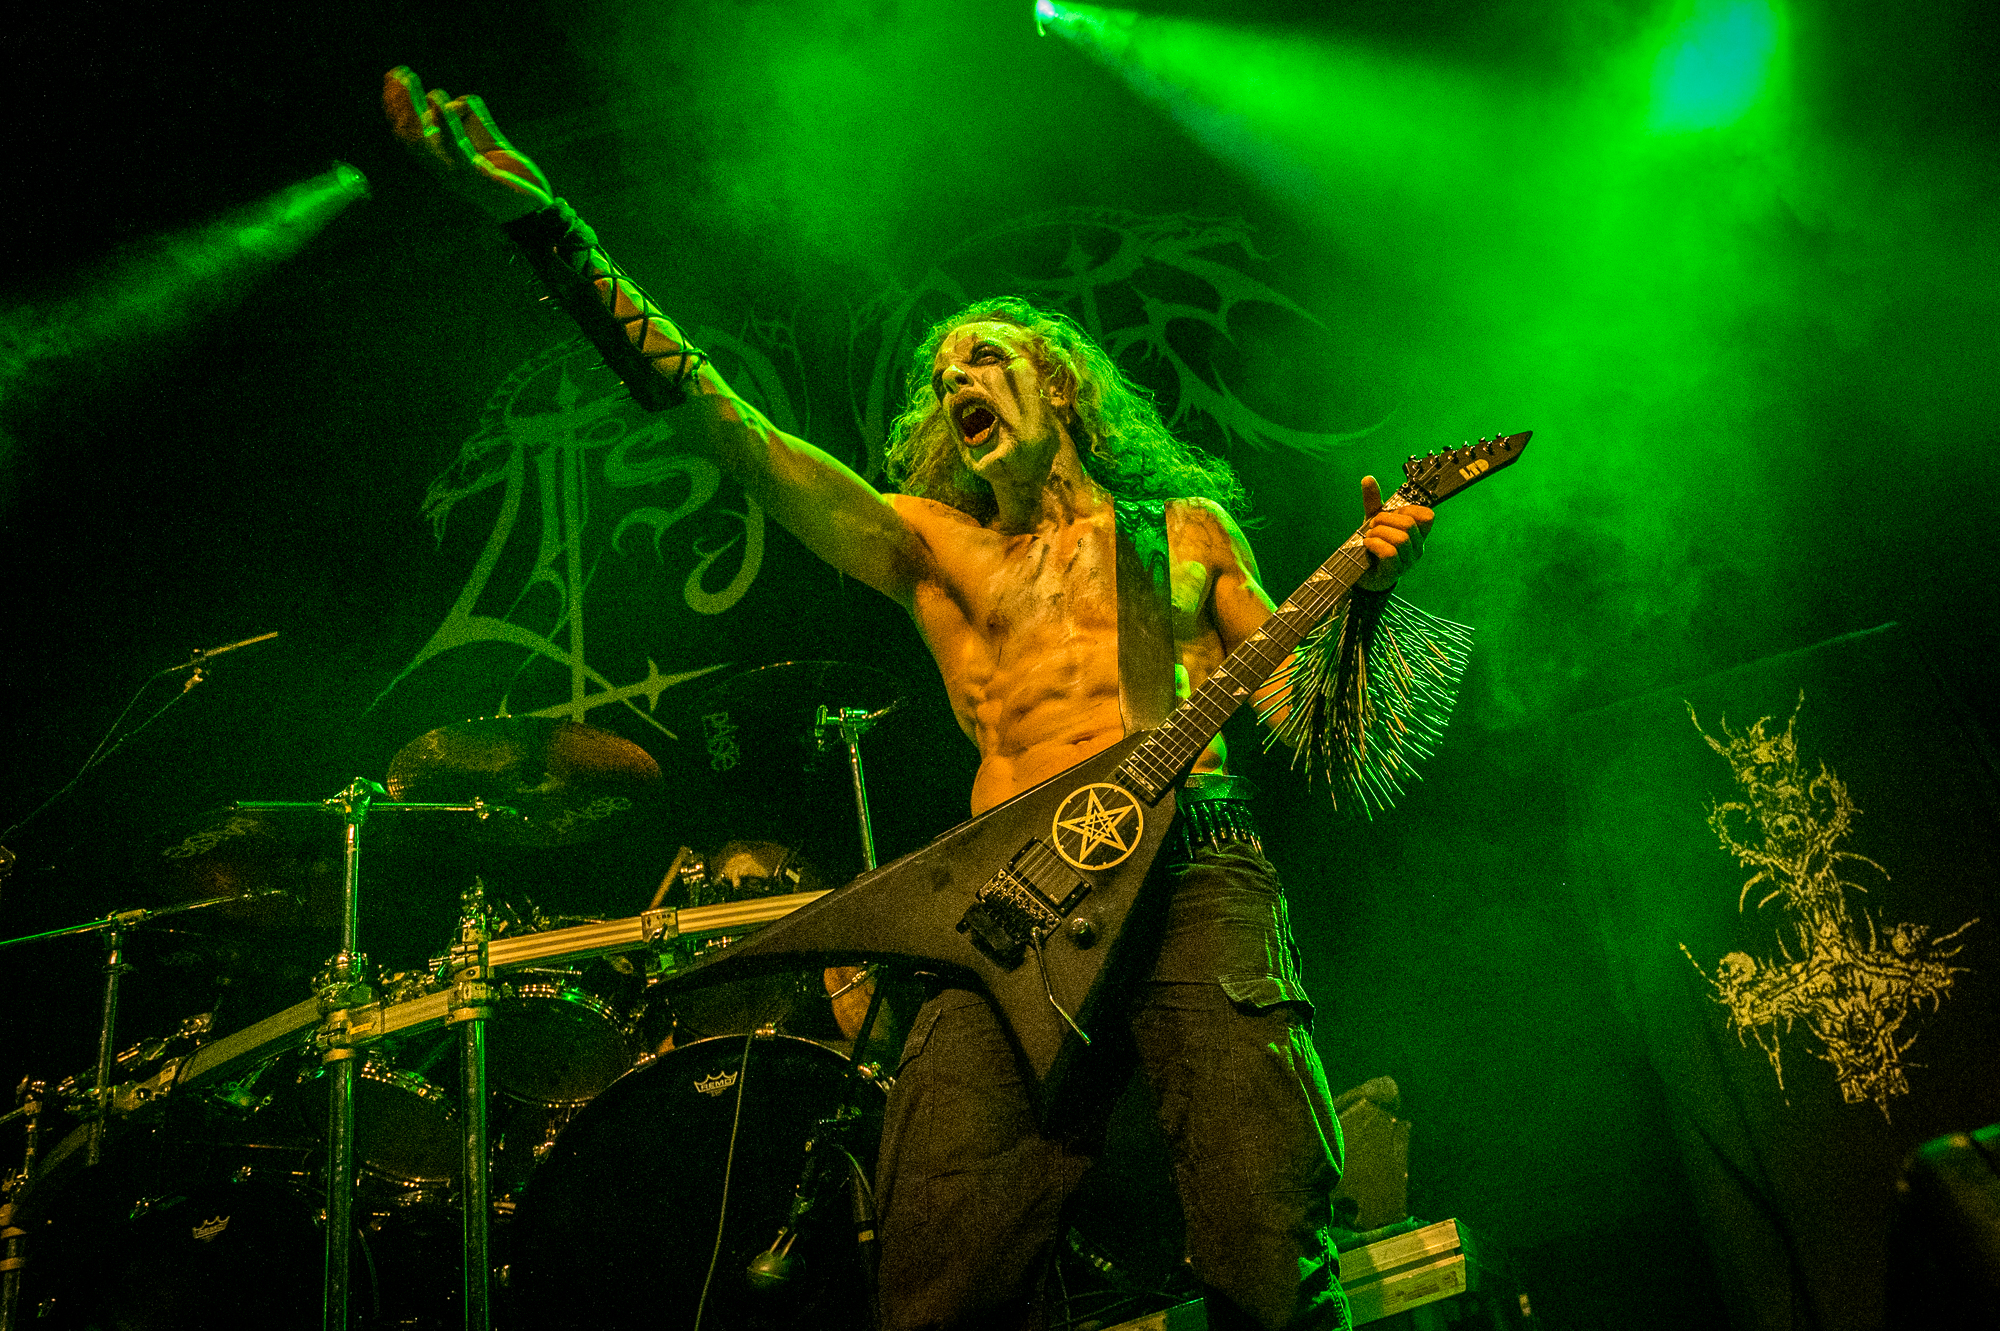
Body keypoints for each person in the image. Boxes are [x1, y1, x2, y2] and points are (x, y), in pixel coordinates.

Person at [385, 67, 1433, 1331]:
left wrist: (1367, 598)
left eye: (982, 356)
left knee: (1266, 1237)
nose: (954, 381)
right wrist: (553, 229)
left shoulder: (1184, 530)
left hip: (1192, 868)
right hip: (1013, 902)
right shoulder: (938, 551)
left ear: (1061, 385)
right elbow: (734, 431)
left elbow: (1299, 717)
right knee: (937, 1257)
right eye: (939, 378)